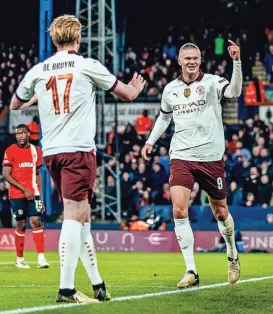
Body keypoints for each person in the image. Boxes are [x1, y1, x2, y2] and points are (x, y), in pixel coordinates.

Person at [10, 15, 145, 304]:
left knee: (82, 218)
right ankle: (66, 289)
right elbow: (126, 95)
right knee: (74, 216)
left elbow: (15, 104)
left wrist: (38, 98)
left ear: (54, 39)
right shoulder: (88, 65)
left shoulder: (40, 70)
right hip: (78, 151)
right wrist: (137, 88)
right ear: (79, 37)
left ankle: (98, 284)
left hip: (51, 153)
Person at [142, 40, 242, 288]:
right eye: (187, 58)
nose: (192, 61)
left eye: (195, 57)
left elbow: (235, 93)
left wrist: (236, 62)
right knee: (178, 209)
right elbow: (164, 118)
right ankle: (191, 271)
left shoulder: (212, 82)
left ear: (200, 59)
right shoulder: (170, 89)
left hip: (210, 157)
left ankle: (232, 253)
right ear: (179, 61)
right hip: (181, 156)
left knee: (220, 211)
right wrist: (150, 142)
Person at [2, 124, 49, 269]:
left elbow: (37, 174)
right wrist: (24, 189)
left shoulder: (36, 150)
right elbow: (6, 175)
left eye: (23, 133)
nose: (20, 136)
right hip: (17, 194)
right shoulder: (10, 151)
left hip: (33, 193)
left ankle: (41, 258)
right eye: (18, 134)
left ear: (28, 134)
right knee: (21, 224)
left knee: (36, 221)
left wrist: (39, 196)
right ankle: (20, 258)